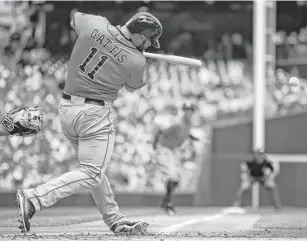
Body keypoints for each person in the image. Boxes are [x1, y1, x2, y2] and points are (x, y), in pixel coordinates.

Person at [15, 11, 163, 235]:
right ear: (141, 37)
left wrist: (108, 39)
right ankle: (35, 198)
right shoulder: (137, 60)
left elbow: (74, 18)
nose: (149, 46)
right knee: (93, 172)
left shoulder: (96, 24)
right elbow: (134, 86)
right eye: (149, 41)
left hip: (67, 109)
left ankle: (115, 220)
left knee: (93, 170)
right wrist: (131, 53)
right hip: (94, 114)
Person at [152, 103, 199, 215]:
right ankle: (167, 203)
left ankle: (166, 202)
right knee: (172, 176)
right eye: (186, 110)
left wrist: (193, 138)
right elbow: (160, 131)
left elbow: (186, 132)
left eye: (190, 110)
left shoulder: (188, 123)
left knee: (177, 178)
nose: (188, 112)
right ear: (183, 111)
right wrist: (153, 148)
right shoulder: (177, 122)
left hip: (172, 151)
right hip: (164, 149)